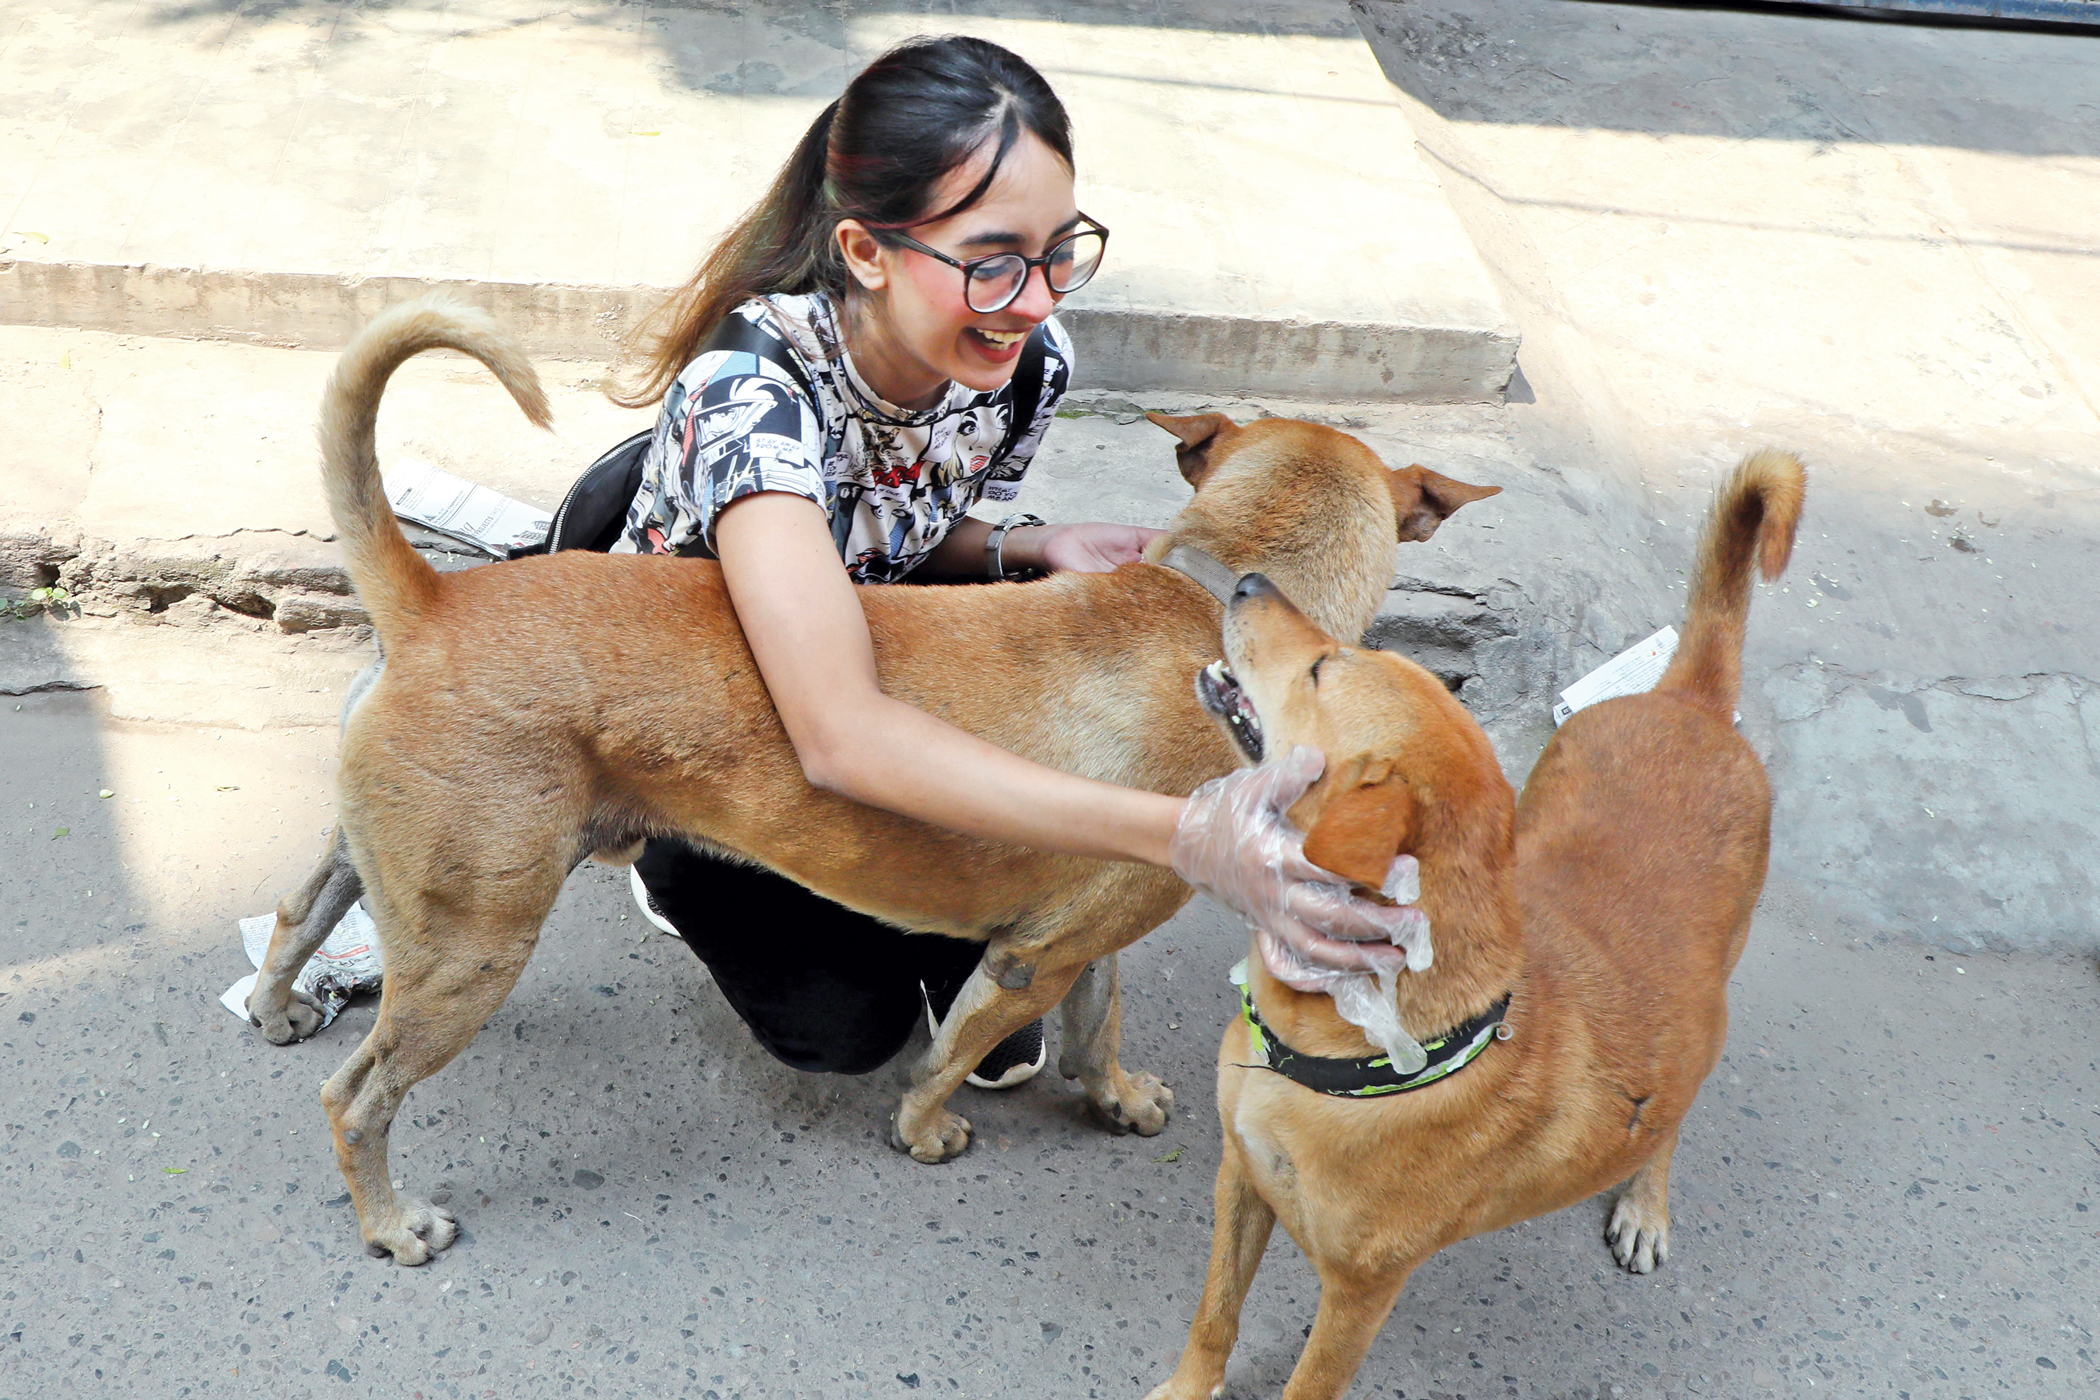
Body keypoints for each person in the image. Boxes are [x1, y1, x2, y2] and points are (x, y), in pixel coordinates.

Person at [609, 35, 1417, 1090]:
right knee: (846, 1032)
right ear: (864, 251)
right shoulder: (750, 401)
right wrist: (1187, 831)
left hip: (896, 651)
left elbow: (895, 524)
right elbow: (840, 735)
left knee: (1009, 1007)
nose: (1035, 299)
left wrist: (1024, 546)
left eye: (1057, 251)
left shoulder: (1026, 362)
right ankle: (671, 865)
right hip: (729, 711)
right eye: (992, 259)